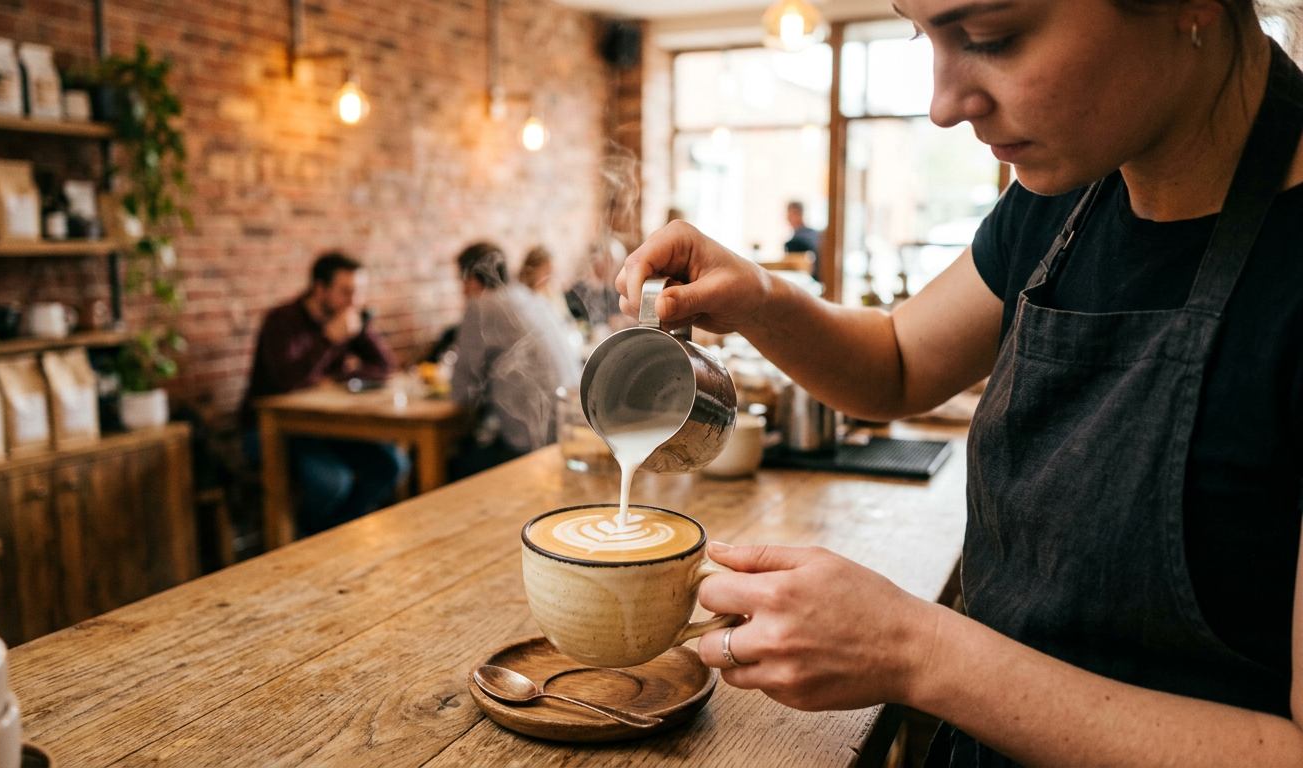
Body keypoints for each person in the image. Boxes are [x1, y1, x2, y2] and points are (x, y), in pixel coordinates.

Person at [616, 1, 1303, 765]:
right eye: (924, 37)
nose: (943, 107)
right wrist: (760, 297)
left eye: (990, 39)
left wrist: (918, 653)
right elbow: (900, 362)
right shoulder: (1063, 198)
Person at [241, 252, 408, 536]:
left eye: (358, 292)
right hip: (270, 429)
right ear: (320, 289)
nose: (354, 301)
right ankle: (312, 541)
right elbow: (287, 383)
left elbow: (384, 365)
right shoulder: (281, 321)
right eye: (346, 292)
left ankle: (334, 534)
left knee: (392, 465)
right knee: (332, 482)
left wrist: (334, 377)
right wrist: (328, 339)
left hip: (325, 425)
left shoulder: (349, 318)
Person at [449, 242, 581, 479]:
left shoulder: (481, 306)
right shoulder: (531, 298)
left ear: (471, 279)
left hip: (534, 441)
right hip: (573, 430)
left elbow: (463, 392)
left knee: (458, 462)